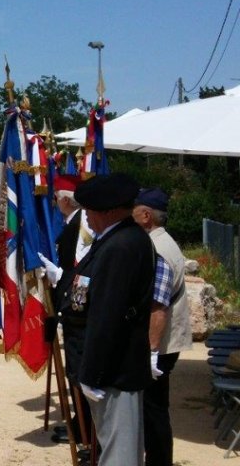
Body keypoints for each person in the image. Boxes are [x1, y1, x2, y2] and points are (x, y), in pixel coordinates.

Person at [73, 173, 155, 465]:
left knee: (120, 454)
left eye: (90, 212)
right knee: (114, 448)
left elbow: (107, 315)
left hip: (114, 371)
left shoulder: (121, 246)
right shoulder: (117, 239)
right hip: (112, 368)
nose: (87, 218)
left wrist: (92, 373)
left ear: (108, 211)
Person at [133, 187, 192, 466]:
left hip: (161, 344)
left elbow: (158, 307)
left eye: (134, 209)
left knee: (153, 409)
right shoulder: (161, 242)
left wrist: (152, 351)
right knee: (154, 408)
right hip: (164, 341)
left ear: (146, 216)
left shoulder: (157, 249)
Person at [39, 174, 94, 451]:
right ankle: (80, 422)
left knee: (79, 372)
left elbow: (82, 270)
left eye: (54, 198)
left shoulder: (81, 225)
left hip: (78, 311)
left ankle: (86, 430)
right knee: (75, 371)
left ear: (63, 200)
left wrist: (59, 277)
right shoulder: (75, 223)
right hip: (73, 307)